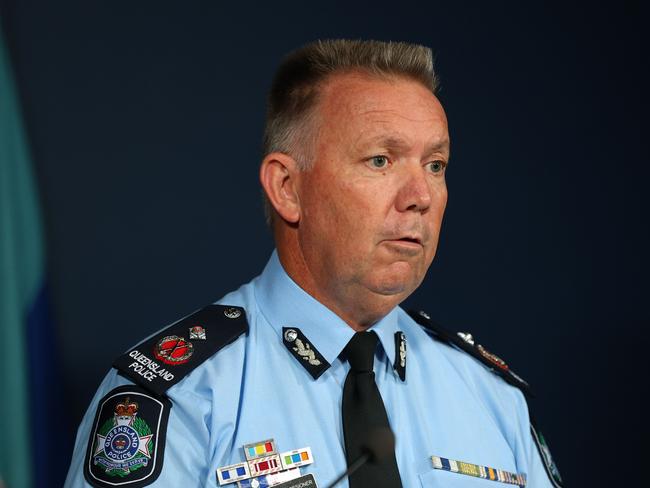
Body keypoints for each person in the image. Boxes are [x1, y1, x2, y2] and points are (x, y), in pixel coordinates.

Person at [64, 39, 563, 488]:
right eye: (380, 160)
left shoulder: (490, 397)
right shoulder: (178, 398)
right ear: (287, 188)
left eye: (435, 165)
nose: (420, 197)